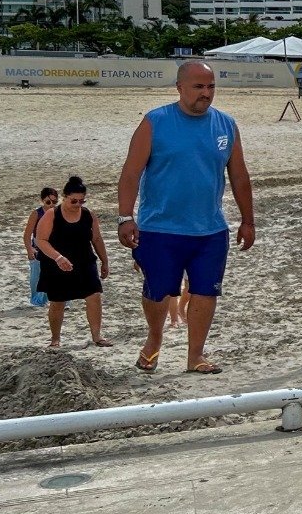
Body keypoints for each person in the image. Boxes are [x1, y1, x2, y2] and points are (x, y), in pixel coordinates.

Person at [116, 60, 255, 374]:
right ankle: (154, 339)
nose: (206, 94)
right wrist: (125, 217)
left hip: (210, 229)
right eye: (198, 87)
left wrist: (248, 220)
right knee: (158, 291)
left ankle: (196, 356)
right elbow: (130, 173)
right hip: (159, 228)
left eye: (211, 87)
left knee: (206, 291)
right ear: (179, 87)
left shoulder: (226, 125)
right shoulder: (156, 121)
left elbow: (240, 177)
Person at [33, 176, 112, 349]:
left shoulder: (88, 215)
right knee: (58, 301)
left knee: (94, 296)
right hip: (57, 264)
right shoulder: (52, 214)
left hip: (85, 261)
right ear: (64, 197)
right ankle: (55, 339)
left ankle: (97, 336)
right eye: (74, 200)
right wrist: (58, 257)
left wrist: (105, 261)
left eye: (81, 201)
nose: (77, 204)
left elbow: (97, 239)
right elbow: (41, 240)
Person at [23, 186, 60, 307]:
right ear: (42, 201)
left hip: (55, 248)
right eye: (48, 202)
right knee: (37, 276)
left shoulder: (59, 213)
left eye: (54, 202)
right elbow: (27, 234)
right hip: (38, 250)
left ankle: (61, 300)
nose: (51, 205)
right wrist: (29, 249)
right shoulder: (36, 214)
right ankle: (37, 301)